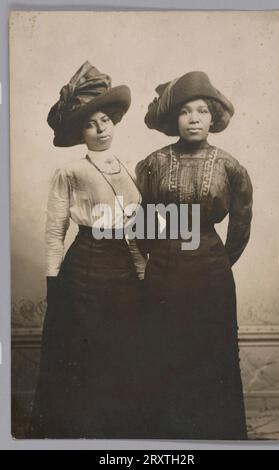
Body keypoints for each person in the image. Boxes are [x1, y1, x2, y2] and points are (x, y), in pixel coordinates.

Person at [28, 61, 145, 438]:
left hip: (123, 269)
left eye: (105, 121)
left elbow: (135, 226)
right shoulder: (70, 172)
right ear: (81, 132)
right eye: (91, 124)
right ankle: (82, 431)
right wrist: (52, 279)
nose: (101, 129)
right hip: (86, 268)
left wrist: (143, 270)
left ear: (113, 120)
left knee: (121, 347)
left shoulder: (127, 168)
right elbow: (54, 230)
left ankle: (117, 430)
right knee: (86, 350)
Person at [136, 71, 253, 439]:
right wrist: (160, 258)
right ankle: (165, 433)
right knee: (164, 346)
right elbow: (142, 222)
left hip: (211, 267)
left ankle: (216, 434)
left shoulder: (230, 166)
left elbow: (240, 226)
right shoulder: (152, 163)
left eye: (202, 111)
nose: (194, 119)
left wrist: (213, 260)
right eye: (186, 112)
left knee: (210, 349)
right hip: (165, 267)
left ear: (213, 117)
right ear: (174, 119)